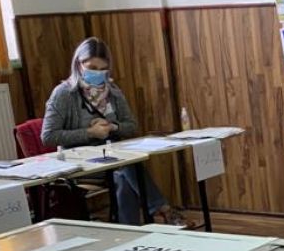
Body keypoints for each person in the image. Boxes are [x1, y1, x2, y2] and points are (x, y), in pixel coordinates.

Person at [41, 38, 188, 227]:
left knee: (125, 171)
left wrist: (113, 127)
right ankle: (163, 210)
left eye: (103, 69)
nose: (97, 73)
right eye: (92, 67)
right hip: (79, 162)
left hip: (113, 158)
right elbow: (48, 136)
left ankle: (131, 232)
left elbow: (131, 125)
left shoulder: (112, 91)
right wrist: (90, 133)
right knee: (127, 166)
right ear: (78, 64)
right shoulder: (63, 94)